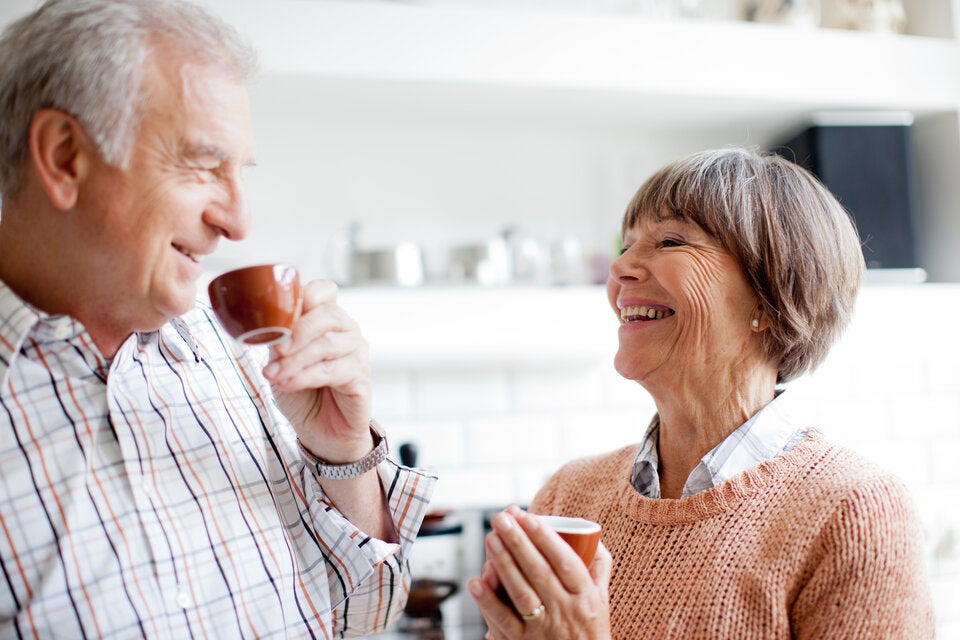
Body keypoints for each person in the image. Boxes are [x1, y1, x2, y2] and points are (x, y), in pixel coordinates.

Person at [0, 1, 435, 637]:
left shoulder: (227, 352)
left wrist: (343, 456)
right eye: (204, 165)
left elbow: (364, 616)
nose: (237, 220)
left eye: (240, 173)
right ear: (66, 157)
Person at [468, 147, 935, 639]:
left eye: (670, 241)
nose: (620, 268)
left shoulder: (854, 512)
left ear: (771, 299)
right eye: (626, 246)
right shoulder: (569, 495)